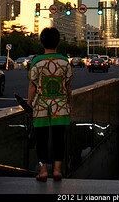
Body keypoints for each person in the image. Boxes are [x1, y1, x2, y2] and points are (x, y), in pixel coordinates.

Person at [28, 27, 73, 182]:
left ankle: (42, 171)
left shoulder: (36, 62)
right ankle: (57, 170)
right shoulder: (64, 61)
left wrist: (29, 104)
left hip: (41, 107)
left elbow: (32, 86)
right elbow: (68, 86)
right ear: (58, 42)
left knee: (41, 140)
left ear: (42, 42)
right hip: (60, 106)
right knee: (59, 139)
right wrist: (69, 103)